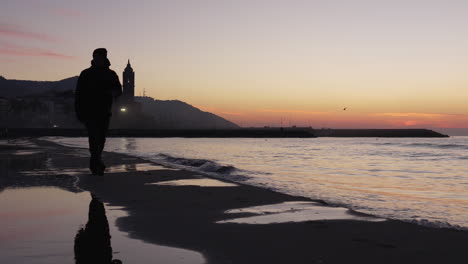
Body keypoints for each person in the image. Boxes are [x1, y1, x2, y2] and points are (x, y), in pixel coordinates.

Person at [75, 48, 122, 175]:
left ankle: (96, 161)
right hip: (89, 112)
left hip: (104, 111)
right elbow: (78, 95)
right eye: (95, 57)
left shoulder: (111, 74)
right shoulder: (85, 74)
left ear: (104, 58)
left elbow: (118, 91)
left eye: (99, 57)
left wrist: (110, 92)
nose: (97, 59)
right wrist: (79, 112)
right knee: (94, 137)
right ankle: (96, 163)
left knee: (100, 138)